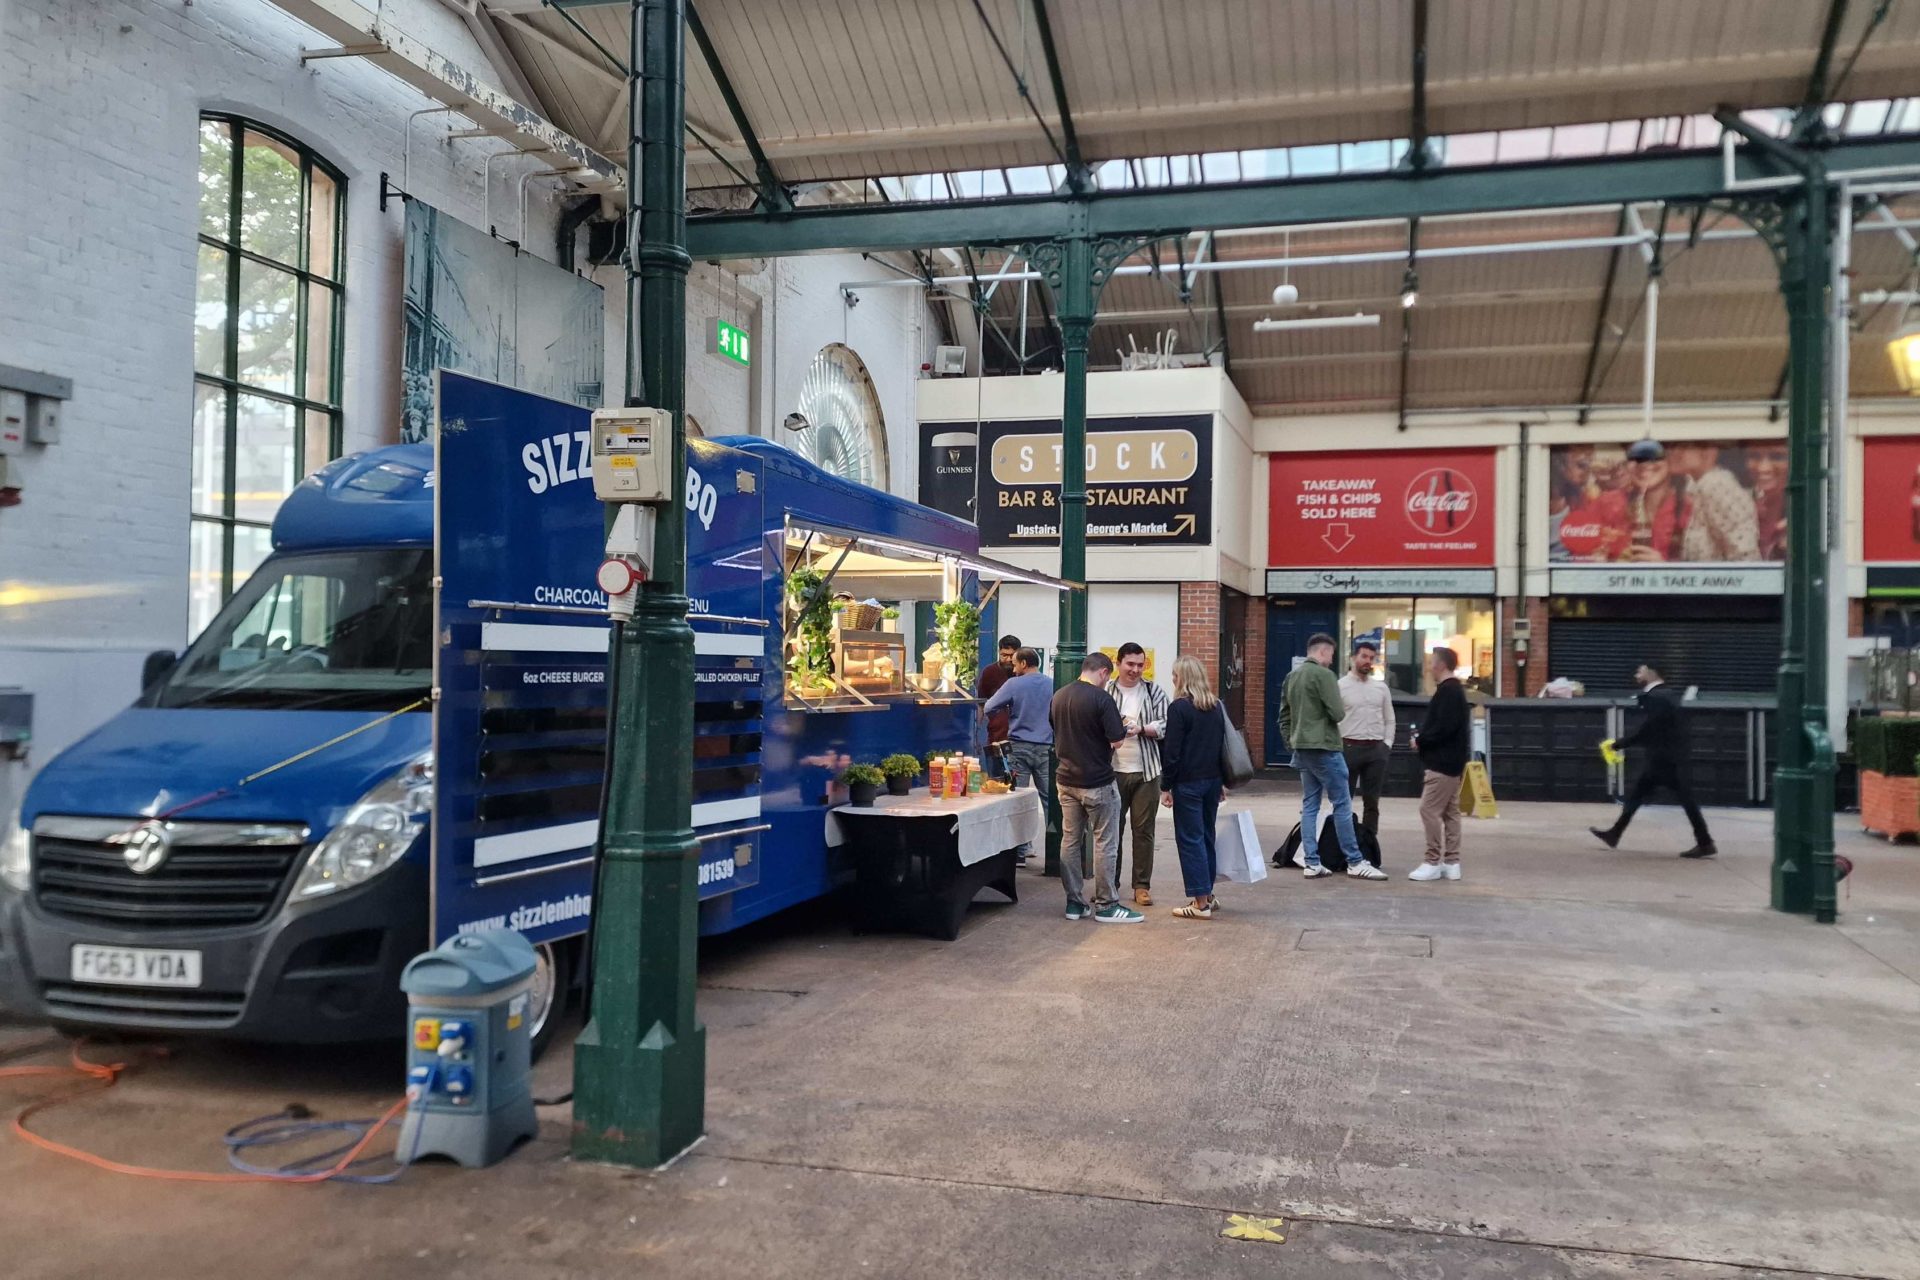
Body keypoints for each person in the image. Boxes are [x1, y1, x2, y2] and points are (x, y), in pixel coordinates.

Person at [1280, 633, 1388, 881]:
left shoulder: (1291, 677)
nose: (1331, 660)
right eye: (1331, 654)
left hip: (1302, 749)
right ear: (1323, 652)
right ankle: (1355, 861)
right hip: (1325, 747)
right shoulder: (1324, 675)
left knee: (1310, 805)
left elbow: (1283, 716)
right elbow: (1338, 713)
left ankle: (1311, 862)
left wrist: (1293, 743)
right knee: (1342, 803)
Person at [1049, 652, 1145, 923]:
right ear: (1103, 672)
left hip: (1066, 779)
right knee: (1105, 843)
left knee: (1070, 840)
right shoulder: (1102, 699)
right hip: (1098, 781)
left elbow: (1055, 730)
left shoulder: (1059, 696)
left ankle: (1074, 902)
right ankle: (1107, 904)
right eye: (1107, 676)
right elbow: (1116, 741)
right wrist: (1125, 729)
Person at [1590, 662, 1717, 858]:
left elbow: (1648, 730)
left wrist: (1618, 744)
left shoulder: (1657, 697)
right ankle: (1614, 833)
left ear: (1652, 673)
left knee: (1682, 800)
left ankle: (1705, 842)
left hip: (1664, 760)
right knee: (1642, 796)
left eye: (1640, 671)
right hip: (1669, 757)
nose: (1636, 675)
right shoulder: (1666, 695)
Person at [1158, 654, 1226, 919]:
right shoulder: (1216, 706)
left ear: (1182, 678)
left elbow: (1172, 753)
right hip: (1212, 780)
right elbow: (1221, 748)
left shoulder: (1179, 708)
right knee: (1207, 836)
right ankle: (1208, 894)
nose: (1173, 679)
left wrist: (1166, 786)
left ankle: (1200, 903)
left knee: (1190, 840)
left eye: (1175, 675)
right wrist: (1222, 782)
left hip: (1188, 783)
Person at [1105, 642, 1170, 907]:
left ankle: (1142, 886)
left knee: (1144, 831)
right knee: (1112, 832)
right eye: (1130, 664)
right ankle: (1111, 884)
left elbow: (1166, 724)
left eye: (1140, 665)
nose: (1135, 670)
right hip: (1112, 771)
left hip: (1147, 771)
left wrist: (1141, 729)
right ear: (1118, 663)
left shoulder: (1154, 691)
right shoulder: (1106, 691)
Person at [980, 647, 1053, 865]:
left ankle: (1020, 851)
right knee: (1050, 800)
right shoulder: (1052, 684)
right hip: (1046, 747)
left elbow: (989, 706)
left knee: (1018, 800)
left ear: (1023, 663)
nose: (1013, 669)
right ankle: (1055, 852)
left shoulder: (1014, 684)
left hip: (1019, 747)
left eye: (1014, 664)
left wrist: (1007, 710)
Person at [1409, 647, 1469, 881]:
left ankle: (1432, 860)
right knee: (1450, 812)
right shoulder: (1456, 691)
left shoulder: (1447, 692)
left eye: (1432, 662)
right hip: (1454, 762)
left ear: (1441, 665)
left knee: (1429, 809)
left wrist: (1420, 740)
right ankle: (1452, 863)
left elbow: (1442, 727)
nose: (1429, 667)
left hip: (1441, 763)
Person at [1338, 641, 1394, 835]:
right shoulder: (1340, 686)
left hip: (1375, 750)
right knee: (1344, 800)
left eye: (1371, 658)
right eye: (1364, 656)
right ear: (1353, 658)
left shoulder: (1381, 688)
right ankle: (1343, 843)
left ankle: (1369, 843)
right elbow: (1333, 719)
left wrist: (1386, 745)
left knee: (1372, 802)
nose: (1368, 661)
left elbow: (1390, 719)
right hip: (1349, 748)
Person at [1669, 443, 1760, 563]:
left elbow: (1745, 555)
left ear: (1709, 451)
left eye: (1683, 446)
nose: (1673, 452)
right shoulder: (1698, 486)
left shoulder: (1716, 485)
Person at [976, 634, 1021, 779]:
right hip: (996, 735)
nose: (1007, 659)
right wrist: (977, 731)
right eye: (1004, 655)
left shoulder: (1023, 674)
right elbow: (981, 703)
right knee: (995, 779)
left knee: (1017, 782)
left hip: (1019, 738)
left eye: (1011, 656)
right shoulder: (989, 672)